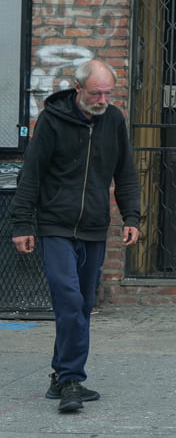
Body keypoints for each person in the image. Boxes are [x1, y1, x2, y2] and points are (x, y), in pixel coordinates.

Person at [10, 59, 140, 413]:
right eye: (96, 93)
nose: (103, 100)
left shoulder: (113, 120)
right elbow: (31, 174)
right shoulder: (52, 120)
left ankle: (60, 374)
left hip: (94, 227)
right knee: (67, 299)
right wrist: (22, 224)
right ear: (78, 88)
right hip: (55, 225)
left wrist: (131, 216)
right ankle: (71, 380)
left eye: (108, 93)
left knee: (81, 305)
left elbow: (125, 172)